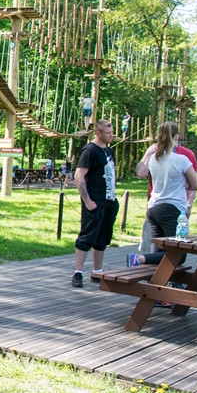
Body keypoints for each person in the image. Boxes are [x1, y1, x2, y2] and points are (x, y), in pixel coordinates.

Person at [125, 122, 197, 268]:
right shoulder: (181, 160)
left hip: (154, 206)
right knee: (179, 254)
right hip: (172, 208)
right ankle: (138, 259)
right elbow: (196, 184)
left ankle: (155, 281)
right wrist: (186, 183)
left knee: (159, 248)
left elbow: (142, 172)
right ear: (176, 137)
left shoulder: (154, 158)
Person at [71, 119, 118, 288]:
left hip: (109, 201)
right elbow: (79, 175)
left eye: (112, 132)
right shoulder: (89, 150)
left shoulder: (109, 151)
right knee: (87, 235)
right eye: (107, 133)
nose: (111, 135)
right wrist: (87, 200)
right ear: (98, 133)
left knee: (103, 237)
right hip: (95, 202)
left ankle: (98, 271)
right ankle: (78, 272)